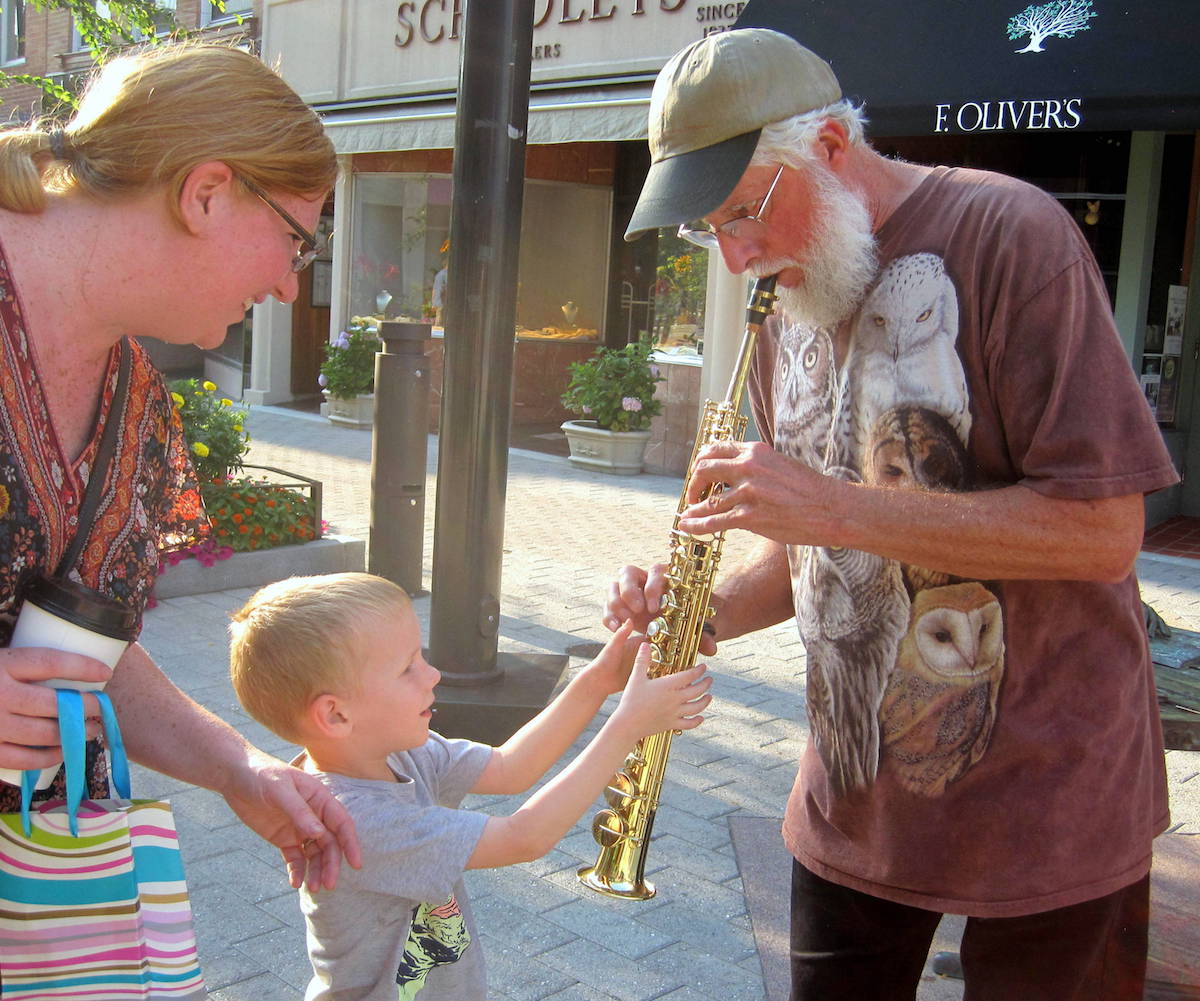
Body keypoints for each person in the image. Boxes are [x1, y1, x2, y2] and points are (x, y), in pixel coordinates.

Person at [605, 27, 1178, 1001]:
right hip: (854, 803)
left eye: (743, 212)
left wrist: (835, 508)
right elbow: (812, 555)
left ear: (830, 148)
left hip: (1052, 807)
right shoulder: (783, 302)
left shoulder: (1014, 236)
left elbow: (1104, 531)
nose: (736, 257)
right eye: (710, 229)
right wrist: (703, 612)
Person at [0, 41, 360, 895]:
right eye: (296, 243)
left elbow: (85, 652)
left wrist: (240, 766)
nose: (288, 287)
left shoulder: (138, 404)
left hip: (41, 901)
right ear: (206, 193)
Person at [227, 572, 711, 1001]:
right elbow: (525, 838)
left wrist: (599, 678)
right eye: (407, 668)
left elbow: (509, 767)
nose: (433, 674)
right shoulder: (354, 821)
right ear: (336, 715)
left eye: (421, 657)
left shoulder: (400, 752)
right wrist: (626, 726)